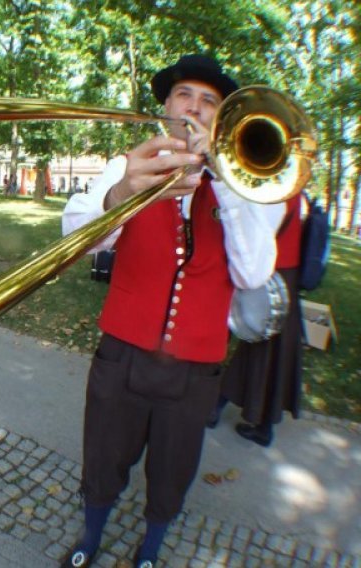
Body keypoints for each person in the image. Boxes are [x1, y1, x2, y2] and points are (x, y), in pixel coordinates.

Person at [60, 54, 282, 568]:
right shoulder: (126, 166)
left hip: (194, 370)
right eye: (185, 95)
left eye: (209, 102)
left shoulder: (250, 189)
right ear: (165, 108)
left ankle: (149, 554)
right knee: (103, 458)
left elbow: (252, 274)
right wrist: (121, 193)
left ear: (222, 120)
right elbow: (74, 241)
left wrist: (225, 183)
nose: (195, 108)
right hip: (122, 356)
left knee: (173, 471)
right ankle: (90, 540)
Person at [209, 194, 302, 446]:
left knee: (258, 346)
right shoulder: (294, 192)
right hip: (285, 273)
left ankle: (218, 407)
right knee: (271, 351)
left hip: (270, 272)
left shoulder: (279, 192)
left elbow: (255, 236)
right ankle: (261, 423)